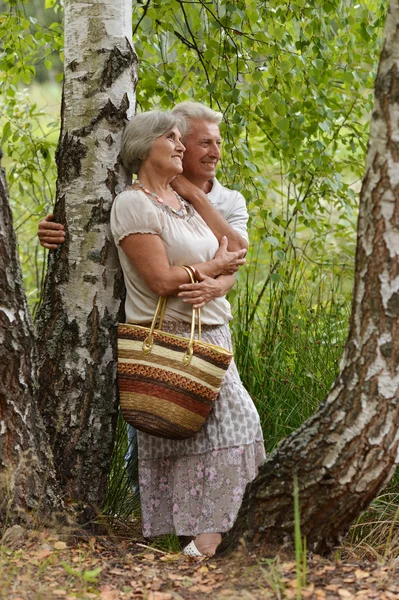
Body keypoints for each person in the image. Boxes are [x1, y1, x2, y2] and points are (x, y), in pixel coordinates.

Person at [37, 102, 253, 499]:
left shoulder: (221, 200)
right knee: (156, 437)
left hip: (207, 327)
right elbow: (111, 237)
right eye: (201, 142)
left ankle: (209, 530)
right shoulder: (141, 197)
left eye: (217, 143)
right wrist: (56, 230)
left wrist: (217, 280)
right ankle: (172, 528)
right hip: (156, 334)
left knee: (231, 428)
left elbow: (236, 256)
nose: (212, 152)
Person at [108, 109, 265, 556]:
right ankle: (202, 541)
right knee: (187, 431)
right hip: (169, 335)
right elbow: (159, 279)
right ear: (145, 147)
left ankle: (206, 541)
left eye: (182, 140)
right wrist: (211, 268)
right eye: (172, 139)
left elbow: (235, 247)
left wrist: (196, 198)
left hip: (211, 331)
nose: (180, 147)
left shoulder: (181, 203)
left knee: (233, 431)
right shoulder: (133, 203)